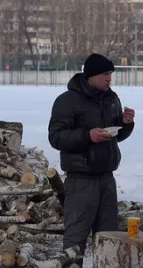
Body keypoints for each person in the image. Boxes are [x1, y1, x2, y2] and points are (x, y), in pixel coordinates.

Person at [47, 53, 135, 263]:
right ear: (91, 77)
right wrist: (88, 135)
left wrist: (126, 123)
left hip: (107, 180)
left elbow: (116, 135)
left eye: (111, 74)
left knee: (109, 240)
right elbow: (56, 137)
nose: (109, 78)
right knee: (75, 242)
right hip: (81, 181)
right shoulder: (67, 101)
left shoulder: (111, 99)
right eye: (105, 74)